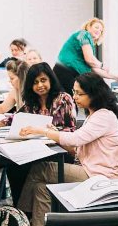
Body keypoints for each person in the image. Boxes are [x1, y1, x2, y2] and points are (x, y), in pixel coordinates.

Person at [17, 72, 118, 226]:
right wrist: (54, 134)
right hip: (89, 171)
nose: (75, 98)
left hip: (99, 178)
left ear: (95, 93)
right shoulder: (95, 115)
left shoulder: (104, 116)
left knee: (39, 169)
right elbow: (76, 149)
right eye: (74, 92)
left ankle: (21, 221)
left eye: (79, 94)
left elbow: (75, 139)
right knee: (40, 188)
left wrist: (44, 131)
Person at [5, 62, 77, 206]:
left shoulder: (63, 99)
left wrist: (50, 132)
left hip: (60, 151)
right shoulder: (32, 102)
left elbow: (70, 130)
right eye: (35, 82)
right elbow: (17, 118)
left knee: (25, 166)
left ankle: (24, 209)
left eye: (43, 80)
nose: (39, 85)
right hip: (37, 151)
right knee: (13, 165)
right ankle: (20, 210)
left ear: (51, 79)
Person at [55, 18, 118, 95]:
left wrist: (117, 78)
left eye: (101, 30)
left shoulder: (89, 46)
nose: (99, 31)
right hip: (64, 71)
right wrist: (103, 66)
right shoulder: (84, 34)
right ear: (89, 27)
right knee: (70, 102)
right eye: (96, 27)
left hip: (71, 74)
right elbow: (90, 60)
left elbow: (94, 68)